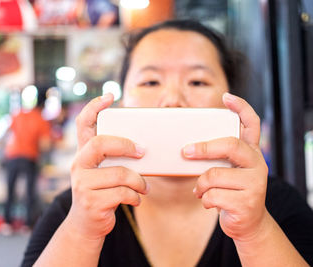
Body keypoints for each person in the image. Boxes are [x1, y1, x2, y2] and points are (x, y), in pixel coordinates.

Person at [21, 20, 313, 266]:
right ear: (122, 102)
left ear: (231, 104)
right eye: (150, 82)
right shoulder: (77, 209)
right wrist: (82, 231)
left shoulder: (273, 205)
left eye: (197, 81)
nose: (173, 100)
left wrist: (255, 231)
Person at [1, 88, 51, 235]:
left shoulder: (19, 114)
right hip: (29, 157)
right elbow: (45, 144)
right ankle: (27, 225)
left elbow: (7, 134)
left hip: (12, 155)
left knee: (10, 190)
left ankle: (7, 224)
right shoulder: (41, 120)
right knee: (29, 192)